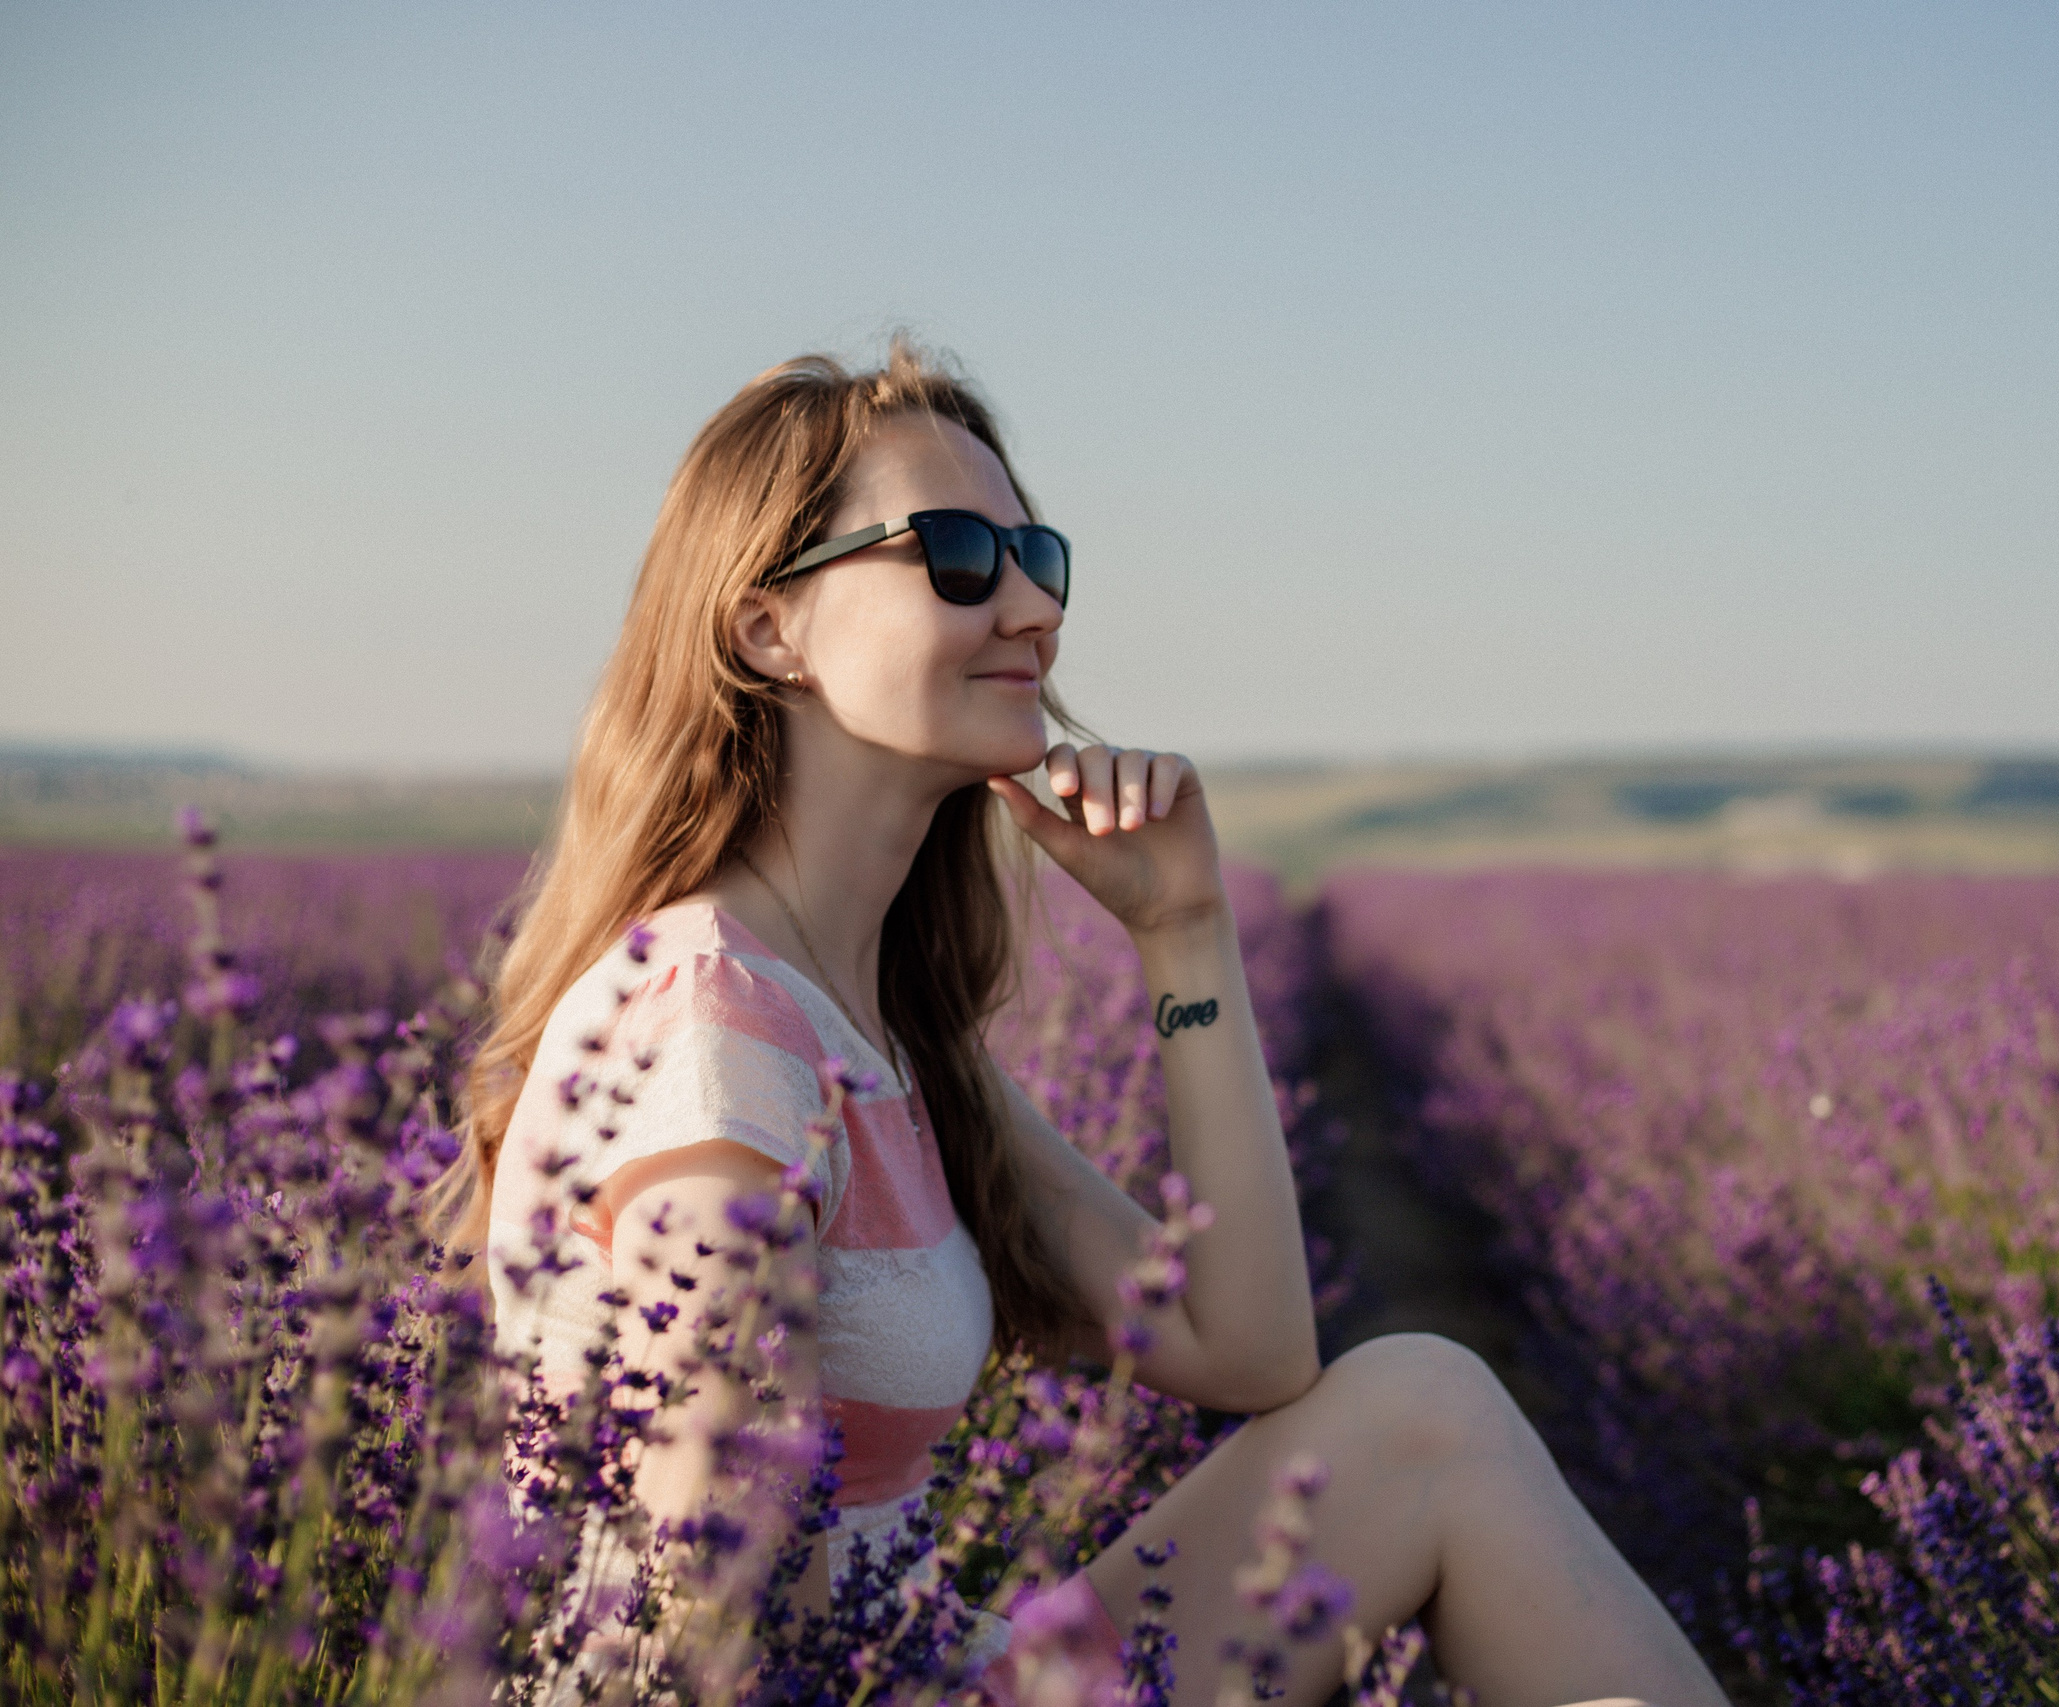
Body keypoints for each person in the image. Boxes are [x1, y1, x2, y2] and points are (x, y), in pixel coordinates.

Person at [450, 343, 1728, 1707]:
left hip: (936, 1670)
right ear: (769, 629)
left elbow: (1250, 1349)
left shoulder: (873, 1034)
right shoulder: (715, 1035)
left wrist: (1185, 931)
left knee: (1428, 1409)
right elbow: (715, 1628)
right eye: (957, 557)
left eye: (1037, 558)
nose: (1033, 611)